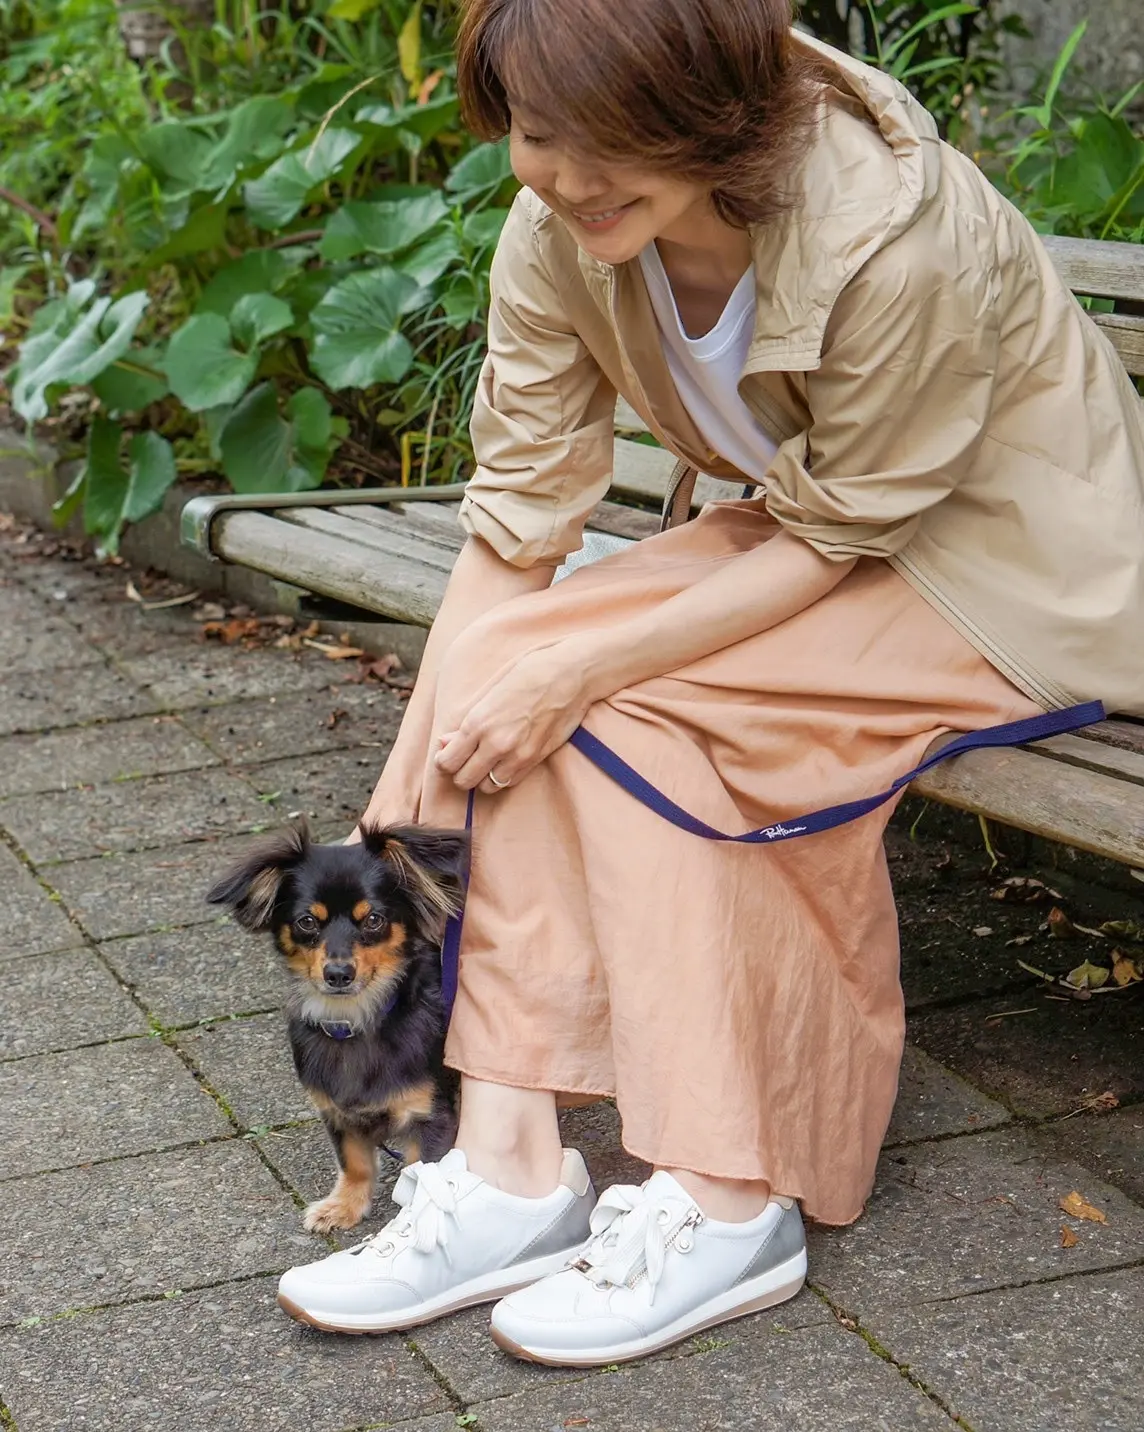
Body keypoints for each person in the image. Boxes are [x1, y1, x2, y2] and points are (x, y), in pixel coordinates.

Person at [276, 0, 1144, 1365]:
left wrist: (580, 660)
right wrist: (421, 784)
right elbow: (518, 519)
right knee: (522, 685)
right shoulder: (560, 229)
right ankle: (506, 1167)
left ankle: (729, 1195)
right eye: (539, 135)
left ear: (713, 111)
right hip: (805, 531)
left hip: (1005, 566)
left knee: (632, 714)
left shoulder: (890, 234)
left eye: (609, 137)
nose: (567, 176)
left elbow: (857, 519)